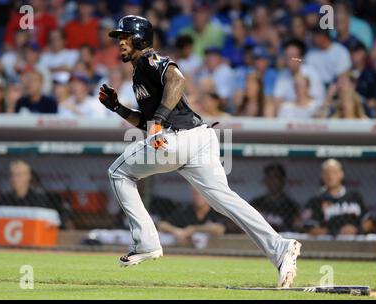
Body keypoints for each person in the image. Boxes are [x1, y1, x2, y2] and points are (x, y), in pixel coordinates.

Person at [99, 15, 301, 288]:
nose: (120, 42)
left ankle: (146, 242)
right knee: (225, 201)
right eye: (119, 37)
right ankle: (280, 248)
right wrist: (118, 108)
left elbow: (177, 79)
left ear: (139, 38)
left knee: (118, 173)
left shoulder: (148, 59)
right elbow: (147, 123)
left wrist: (158, 120)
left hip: (177, 139)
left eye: (124, 36)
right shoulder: (139, 70)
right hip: (199, 139)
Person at [0, 160, 73, 229]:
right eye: (12, 175)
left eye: (18, 175)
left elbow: (65, 209)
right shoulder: (5, 199)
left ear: (28, 177)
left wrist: (56, 223)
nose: (14, 179)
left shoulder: (40, 197)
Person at [301, 159, 367, 236]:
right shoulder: (316, 200)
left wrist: (357, 230)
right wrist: (337, 232)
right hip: (329, 244)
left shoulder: (354, 196)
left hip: (356, 242)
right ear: (322, 176)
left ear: (341, 174)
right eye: (327, 173)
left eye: (334, 172)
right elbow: (311, 229)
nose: (330, 176)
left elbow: (369, 221)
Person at [157, 188, 226, 246]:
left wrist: (193, 229)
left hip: (210, 248)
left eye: (201, 194)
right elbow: (162, 225)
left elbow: (220, 229)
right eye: (196, 193)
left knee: (198, 237)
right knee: (162, 237)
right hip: (182, 244)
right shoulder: (186, 209)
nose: (198, 196)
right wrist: (177, 231)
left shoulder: (215, 210)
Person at [250, 164, 299, 233]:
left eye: (276, 177)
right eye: (270, 177)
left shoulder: (291, 206)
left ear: (282, 180)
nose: (273, 181)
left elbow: (297, 227)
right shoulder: (257, 203)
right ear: (265, 181)